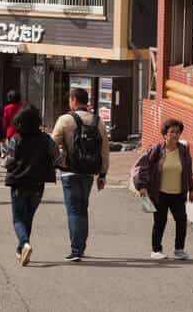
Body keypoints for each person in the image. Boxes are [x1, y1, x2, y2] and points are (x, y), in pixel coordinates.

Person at [51, 87, 110, 261]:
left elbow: (52, 144)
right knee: (82, 209)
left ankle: (76, 250)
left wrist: (53, 163)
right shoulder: (97, 121)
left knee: (74, 210)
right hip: (88, 173)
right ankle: (80, 247)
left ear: (74, 100)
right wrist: (103, 174)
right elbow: (105, 150)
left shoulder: (65, 119)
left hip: (69, 172)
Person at [132, 118, 193, 260]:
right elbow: (143, 167)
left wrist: (191, 189)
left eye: (177, 132)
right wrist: (142, 186)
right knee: (160, 222)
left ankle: (179, 249)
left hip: (178, 193)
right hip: (160, 193)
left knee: (181, 220)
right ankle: (156, 250)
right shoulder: (156, 150)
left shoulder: (183, 151)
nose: (175, 135)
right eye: (171, 132)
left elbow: (187, 171)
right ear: (165, 134)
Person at [4, 104, 56, 266]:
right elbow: (56, 156)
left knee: (18, 218)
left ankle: (24, 243)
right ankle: (21, 250)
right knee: (28, 217)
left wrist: (3, 162)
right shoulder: (46, 139)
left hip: (19, 182)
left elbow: (9, 161)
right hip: (38, 184)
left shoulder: (16, 139)